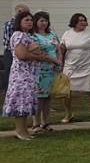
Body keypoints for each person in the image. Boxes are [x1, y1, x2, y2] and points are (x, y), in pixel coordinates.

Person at [4, 10, 55, 140]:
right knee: (20, 103)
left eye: (31, 20)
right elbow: (22, 55)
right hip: (21, 75)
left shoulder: (27, 36)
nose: (30, 22)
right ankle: (20, 131)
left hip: (30, 75)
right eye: (26, 20)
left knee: (26, 103)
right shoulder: (18, 35)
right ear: (19, 22)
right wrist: (38, 57)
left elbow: (35, 51)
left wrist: (38, 54)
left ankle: (24, 130)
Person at [31, 11, 62, 133]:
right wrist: (54, 61)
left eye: (45, 20)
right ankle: (36, 123)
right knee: (39, 97)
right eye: (41, 21)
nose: (44, 23)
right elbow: (38, 52)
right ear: (36, 22)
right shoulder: (33, 36)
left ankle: (46, 122)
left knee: (48, 97)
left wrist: (59, 61)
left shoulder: (52, 35)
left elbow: (58, 49)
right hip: (40, 69)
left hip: (52, 70)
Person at [60, 13, 90, 123]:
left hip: (87, 65)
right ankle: (68, 113)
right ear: (74, 22)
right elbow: (62, 48)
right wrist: (59, 62)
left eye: (84, 20)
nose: (83, 22)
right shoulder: (67, 33)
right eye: (80, 20)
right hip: (70, 66)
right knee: (66, 92)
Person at [2, 4, 31, 93]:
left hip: (22, 51)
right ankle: (8, 90)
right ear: (17, 12)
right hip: (11, 52)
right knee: (10, 71)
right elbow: (16, 42)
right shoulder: (11, 24)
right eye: (22, 12)